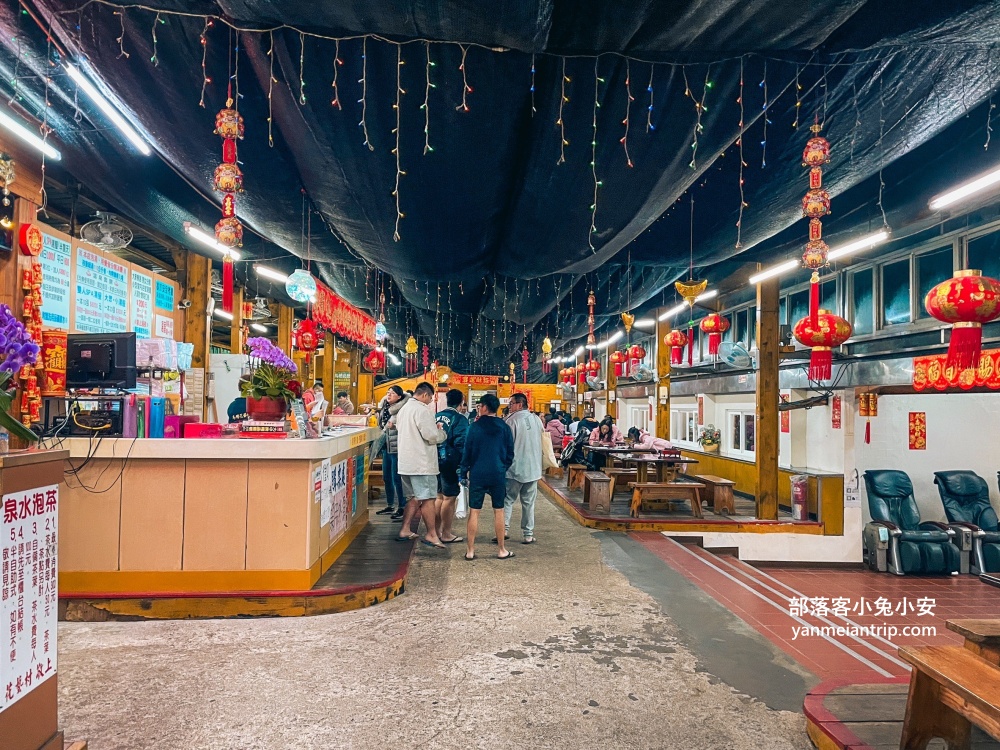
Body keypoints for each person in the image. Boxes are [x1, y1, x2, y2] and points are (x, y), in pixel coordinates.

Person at [459, 394, 515, 561]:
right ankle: (502, 550)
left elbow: (466, 452)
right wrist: (502, 466)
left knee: (474, 512)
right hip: (497, 473)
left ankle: (470, 551)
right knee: (499, 510)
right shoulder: (504, 427)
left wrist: (463, 472)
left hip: (477, 473)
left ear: (484, 407)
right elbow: (510, 454)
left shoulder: (473, 427)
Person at [394, 382, 448, 547]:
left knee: (414, 497)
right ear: (425, 395)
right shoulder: (422, 410)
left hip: (406, 462)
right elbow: (431, 436)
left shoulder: (403, 409)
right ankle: (432, 534)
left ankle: (405, 529)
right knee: (428, 498)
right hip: (421, 463)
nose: (430, 401)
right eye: (430, 398)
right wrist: (442, 433)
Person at [503, 392, 543, 545]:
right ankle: (528, 534)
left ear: (520, 404)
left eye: (511, 404)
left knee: (507, 500)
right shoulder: (537, 419)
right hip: (533, 468)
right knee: (528, 502)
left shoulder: (510, 421)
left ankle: (504, 530)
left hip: (514, 468)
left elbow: (506, 445)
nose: (509, 407)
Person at [435, 388, 469, 544]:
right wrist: (464, 464)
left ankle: (435, 531)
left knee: (439, 496)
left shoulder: (436, 416)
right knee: (449, 498)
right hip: (450, 461)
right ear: (461, 402)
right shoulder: (460, 419)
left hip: (434, 460)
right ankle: (446, 533)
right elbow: (461, 443)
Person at [376, 386, 408, 518]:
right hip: (386, 446)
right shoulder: (385, 407)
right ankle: (390, 505)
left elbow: (407, 427)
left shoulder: (403, 409)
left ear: (399, 396)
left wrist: (395, 426)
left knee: (397, 478)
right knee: (387, 477)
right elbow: (382, 424)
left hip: (397, 448)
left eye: (392, 393)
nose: (389, 395)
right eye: (387, 392)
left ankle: (402, 507)